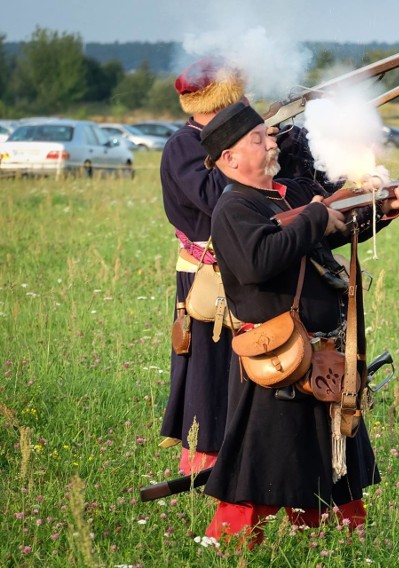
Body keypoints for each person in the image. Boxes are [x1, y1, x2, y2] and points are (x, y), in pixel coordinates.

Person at [198, 102, 399, 545]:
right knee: (260, 466)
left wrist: (388, 207)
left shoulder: (284, 195)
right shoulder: (234, 208)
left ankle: (336, 542)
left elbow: (330, 234)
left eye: (268, 135)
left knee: (332, 460)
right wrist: (314, 216)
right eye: (259, 139)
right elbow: (257, 261)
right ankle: (230, 544)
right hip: (278, 356)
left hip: (322, 355)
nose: (272, 142)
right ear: (231, 158)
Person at [159, 57, 248, 475]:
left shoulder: (225, 138)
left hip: (245, 265)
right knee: (207, 374)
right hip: (205, 274)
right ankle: (201, 463)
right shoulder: (185, 144)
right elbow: (215, 197)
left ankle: (242, 453)